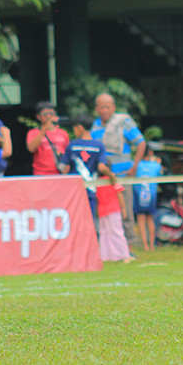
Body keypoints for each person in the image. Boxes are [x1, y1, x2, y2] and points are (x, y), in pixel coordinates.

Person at [92, 93, 147, 245]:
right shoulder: (95, 126)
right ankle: (108, 243)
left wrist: (135, 166)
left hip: (123, 175)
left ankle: (130, 242)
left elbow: (141, 143)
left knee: (126, 211)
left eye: (107, 107)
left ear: (113, 108)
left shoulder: (124, 122)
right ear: (97, 109)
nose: (104, 110)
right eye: (101, 107)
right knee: (105, 212)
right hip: (104, 179)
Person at [65, 113, 114, 237]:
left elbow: (64, 168)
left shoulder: (72, 145)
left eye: (75, 128)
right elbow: (101, 167)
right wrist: (112, 176)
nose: (74, 131)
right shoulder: (99, 146)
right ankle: (90, 248)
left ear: (80, 127)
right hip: (90, 190)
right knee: (90, 220)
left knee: (74, 220)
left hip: (74, 190)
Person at [25, 101, 70, 176]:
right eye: (45, 114)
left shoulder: (63, 133)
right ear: (38, 117)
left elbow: (68, 154)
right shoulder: (33, 133)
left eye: (51, 114)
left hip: (59, 173)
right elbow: (31, 148)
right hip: (41, 173)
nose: (48, 116)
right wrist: (44, 129)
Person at [132, 148, 163, 252]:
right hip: (151, 194)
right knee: (150, 219)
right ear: (150, 153)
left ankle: (145, 245)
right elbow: (161, 174)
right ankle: (152, 246)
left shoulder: (136, 165)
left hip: (139, 194)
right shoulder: (156, 165)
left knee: (141, 220)